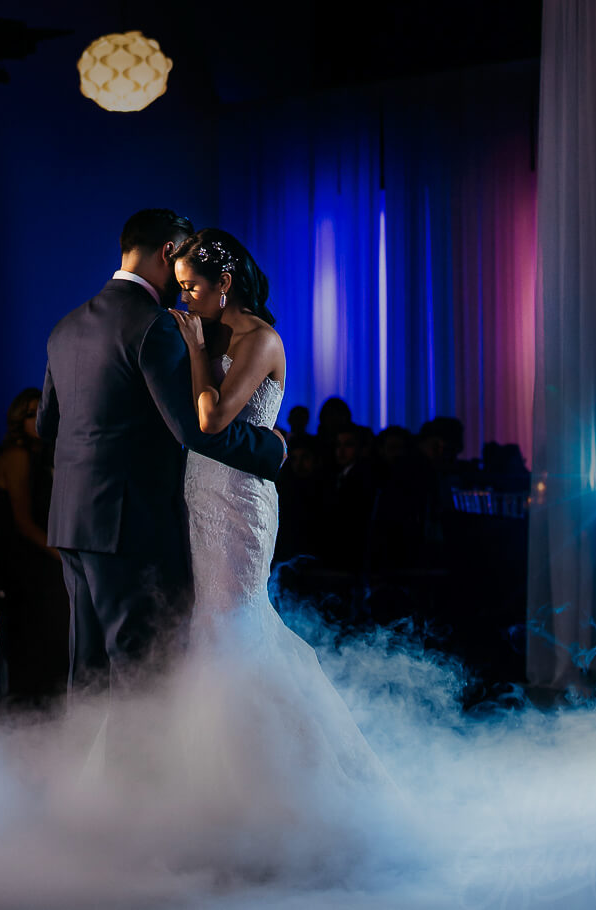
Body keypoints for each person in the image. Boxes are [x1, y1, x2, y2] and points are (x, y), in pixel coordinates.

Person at [168, 228, 396, 874]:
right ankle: (216, 791)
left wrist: (194, 351)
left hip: (239, 500)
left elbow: (212, 420)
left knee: (235, 627)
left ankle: (283, 792)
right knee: (212, 628)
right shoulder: (215, 334)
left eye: (191, 287)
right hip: (202, 491)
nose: (184, 299)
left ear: (224, 284)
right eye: (180, 287)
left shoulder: (259, 339)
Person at [37, 209, 286, 705]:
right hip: (129, 522)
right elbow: (196, 430)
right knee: (138, 671)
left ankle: (81, 758)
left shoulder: (66, 326)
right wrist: (271, 448)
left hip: (71, 521)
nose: (183, 292)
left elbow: (47, 426)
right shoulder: (155, 326)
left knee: (88, 673)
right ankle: (138, 763)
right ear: (168, 252)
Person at [0, 388, 68, 700]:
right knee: (57, 585)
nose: (38, 420)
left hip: (35, 548)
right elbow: (22, 522)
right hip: (15, 553)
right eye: (30, 414)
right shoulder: (17, 456)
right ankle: (40, 689)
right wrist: (60, 554)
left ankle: (56, 685)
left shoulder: (44, 455)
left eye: (42, 412)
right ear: (17, 420)